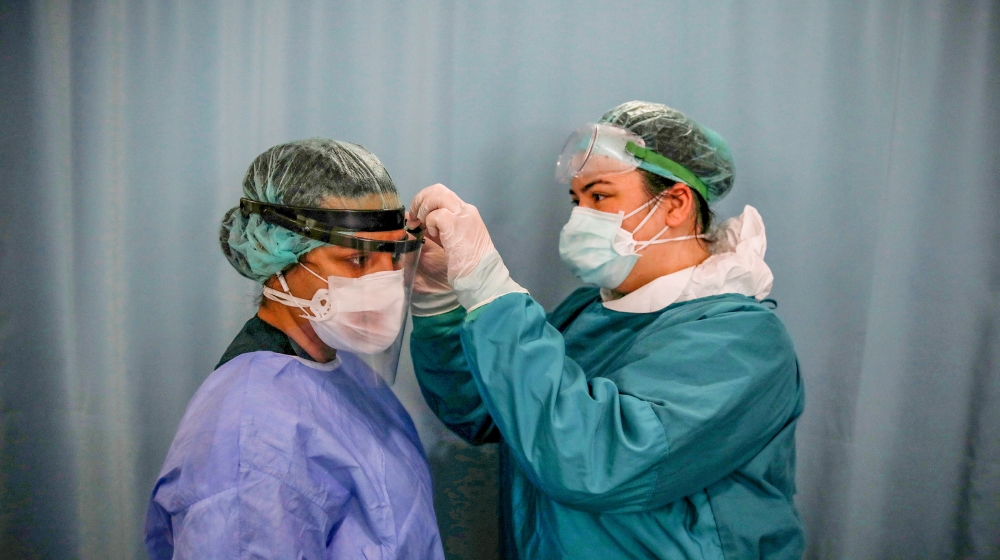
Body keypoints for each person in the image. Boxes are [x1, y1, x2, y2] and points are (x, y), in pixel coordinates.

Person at [408, 101, 804, 559]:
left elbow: (594, 461)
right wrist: (441, 300)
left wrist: (489, 287)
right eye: (577, 200)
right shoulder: (590, 312)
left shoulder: (743, 342)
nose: (580, 217)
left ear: (676, 203)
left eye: (600, 197)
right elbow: (486, 410)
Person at [145, 138, 444, 559]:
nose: (386, 280)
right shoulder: (251, 431)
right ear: (280, 254)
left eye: (394, 255)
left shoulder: (347, 376)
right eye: (357, 260)